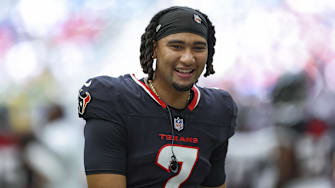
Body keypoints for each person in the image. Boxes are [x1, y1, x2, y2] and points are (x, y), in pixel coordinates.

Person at [78, 6, 238, 188]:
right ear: (154, 49)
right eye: (176, 46)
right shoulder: (114, 99)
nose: (188, 58)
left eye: (198, 48)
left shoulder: (218, 109)